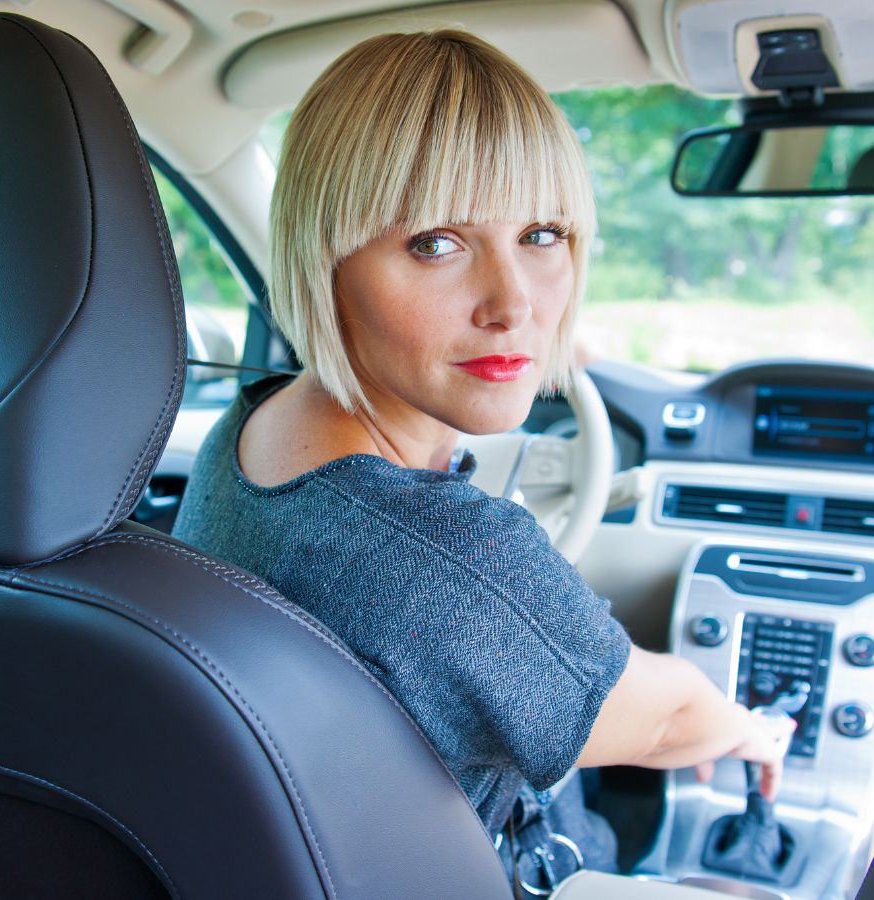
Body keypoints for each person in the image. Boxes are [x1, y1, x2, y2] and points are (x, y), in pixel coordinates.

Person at [171, 28, 792, 887]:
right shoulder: (445, 558)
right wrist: (754, 730)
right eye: (435, 243)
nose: (514, 305)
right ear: (324, 261)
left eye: (541, 234)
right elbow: (666, 719)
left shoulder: (257, 429)